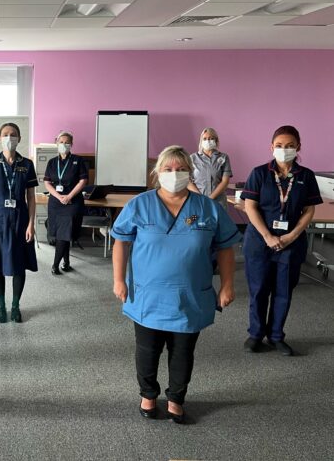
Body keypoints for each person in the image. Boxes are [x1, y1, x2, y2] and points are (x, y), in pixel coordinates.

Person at [111, 145, 240, 424]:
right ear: (157, 172)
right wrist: (119, 280)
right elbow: (121, 241)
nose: (175, 174)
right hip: (147, 296)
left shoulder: (206, 208)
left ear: (190, 172)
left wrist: (228, 285)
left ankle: (176, 398)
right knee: (147, 350)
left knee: (182, 352)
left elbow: (226, 247)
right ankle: (148, 394)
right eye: (168, 169)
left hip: (190, 297)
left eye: (181, 169)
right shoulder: (140, 205)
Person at [240, 125, 322, 356]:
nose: (284, 150)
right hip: (259, 242)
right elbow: (250, 206)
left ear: (298, 147)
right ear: (271, 147)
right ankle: (255, 334)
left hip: (290, 243)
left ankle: (276, 336)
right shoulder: (259, 173)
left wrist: (292, 235)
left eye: (289, 146)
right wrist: (267, 236)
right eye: (279, 146)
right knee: (258, 290)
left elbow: (308, 210)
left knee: (283, 291)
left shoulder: (306, 176)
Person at [0, 122, 38, 323]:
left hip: (20, 220)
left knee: (19, 263)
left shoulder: (27, 165)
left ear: (19, 139)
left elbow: (31, 197)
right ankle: (1, 305)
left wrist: (31, 224)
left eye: (13, 134)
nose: (9, 138)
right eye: (5, 134)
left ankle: (15, 306)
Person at [43, 131, 89, 275]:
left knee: (64, 233)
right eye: (61, 142)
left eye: (67, 142)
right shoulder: (52, 162)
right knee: (61, 234)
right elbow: (47, 182)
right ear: (56, 143)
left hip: (72, 202)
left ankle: (55, 264)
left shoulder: (78, 160)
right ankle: (66, 262)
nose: (64, 145)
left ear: (71, 144)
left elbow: (83, 181)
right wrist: (58, 196)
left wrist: (69, 196)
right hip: (56, 202)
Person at [188, 127, 233, 208]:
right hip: (198, 201)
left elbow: (225, 182)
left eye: (211, 138)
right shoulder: (192, 158)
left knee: (219, 220)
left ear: (216, 140)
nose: (208, 141)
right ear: (201, 141)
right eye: (205, 139)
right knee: (197, 220)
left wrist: (210, 198)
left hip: (219, 202)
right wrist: (201, 198)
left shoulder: (223, 157)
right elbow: (187, 181)